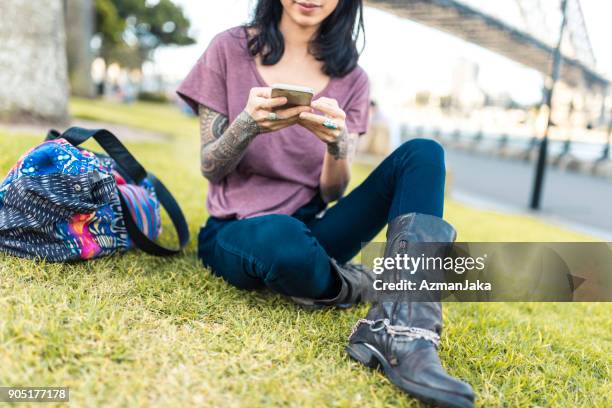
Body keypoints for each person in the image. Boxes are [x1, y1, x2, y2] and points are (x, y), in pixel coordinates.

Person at [177, 1, 474, 407]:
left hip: (313, 227)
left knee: (423, 153)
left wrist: (336, 144)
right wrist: (248, 124)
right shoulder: (228, 48)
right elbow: (211, 166)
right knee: (282, 241)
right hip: (236, 228)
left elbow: (333, 193)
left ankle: (404, 332)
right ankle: (354, 284)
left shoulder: (352, 78)